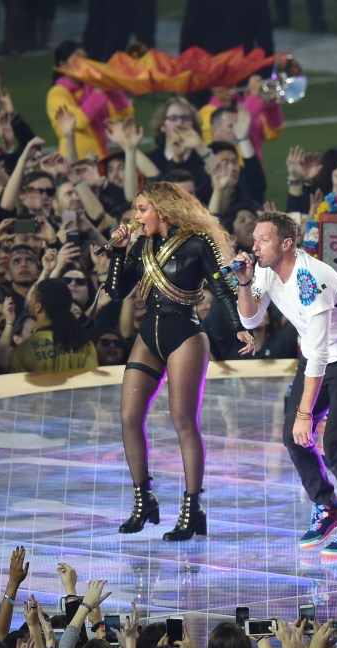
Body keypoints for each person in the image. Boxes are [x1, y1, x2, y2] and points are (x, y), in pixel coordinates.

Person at [104, 181, 253, 541]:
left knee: (183, 420)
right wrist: (117, 252)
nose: (136, 218)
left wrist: (240, 327)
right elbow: (116, 291)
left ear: (164, 210)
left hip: (185, 335)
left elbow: (221, 288)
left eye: (142, 210)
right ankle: (144, 500)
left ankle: (192, 506)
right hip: (149, 334)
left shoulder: (198, 244)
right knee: (128, 417)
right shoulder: (140, 246)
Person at [231, 211, 337, 557]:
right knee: (292, 438)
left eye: (262, 240)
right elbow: (251, 317)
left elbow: (321, 354)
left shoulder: (311, 279)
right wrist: (244, 283)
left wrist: (305, 412)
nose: (254, 246)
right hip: (315, 357)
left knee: (336, 445)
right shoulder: (265, 270)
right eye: (254, 239)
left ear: (287, 243)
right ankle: (327, 505)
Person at [47, 40, 133, 160]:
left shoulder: (91, 89)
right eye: (77, 59)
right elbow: (77, 121)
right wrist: (98, 90)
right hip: (75, 159)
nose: (83, 63)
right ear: (63, 65)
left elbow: (123, 114)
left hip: (101, 156)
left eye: (85, 59)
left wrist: (111, 87)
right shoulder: (56, 93)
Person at [6, 278, 98, 372]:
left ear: (38, 307)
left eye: (32, 297)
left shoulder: (22, 352)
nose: (29, 301)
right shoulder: (85, 345)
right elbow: (91, 383)